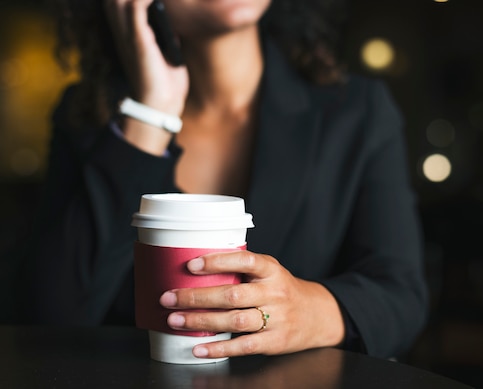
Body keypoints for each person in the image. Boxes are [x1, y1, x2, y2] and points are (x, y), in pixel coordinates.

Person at [21, 0, 428, 360]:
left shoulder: (358, 112)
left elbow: (401, 296)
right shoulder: (90, 119)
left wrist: (310, 310)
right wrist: (151, 111)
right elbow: (49, 317)